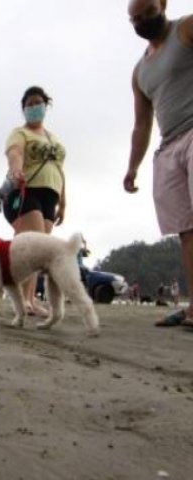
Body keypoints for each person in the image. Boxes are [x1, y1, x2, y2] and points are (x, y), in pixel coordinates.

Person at [124, 0, 193, 327]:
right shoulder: (139, 71)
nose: (142, 22)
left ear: (163, 4)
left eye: (149, 13)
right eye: (135, 19)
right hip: (168, 147)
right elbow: (141, 124)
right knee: (186, 230)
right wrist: (132, 166)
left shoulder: (185, 28)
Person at [2, 86, 67, 316]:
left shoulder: (53, 138)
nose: (33, 107)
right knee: (34, 247)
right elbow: (15, 154)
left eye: (37, 102)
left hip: (50, 196)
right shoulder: (20, 133)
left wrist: (64, 201)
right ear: (23, 109)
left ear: (45, 105)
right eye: (28, 104)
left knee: (39, 252)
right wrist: (16, 171)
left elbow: (59, 169)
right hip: (25, 192)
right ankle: (21, 299)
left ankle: (29, 299)